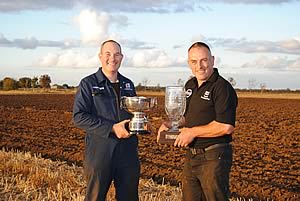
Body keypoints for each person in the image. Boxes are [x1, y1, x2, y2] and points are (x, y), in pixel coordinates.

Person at [158, 41, 238, 201]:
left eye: (204, 60)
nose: (199, 66)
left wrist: (192, 132)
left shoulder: (222, 87)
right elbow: (188, 117)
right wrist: (171, 124)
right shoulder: (190, 85)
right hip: (192, 155)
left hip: (214, 156)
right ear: (189, 63)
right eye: (194, 61)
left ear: (212, 60)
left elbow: (226, 126)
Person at [73, 40, 140, 201]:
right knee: (95, 197)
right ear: (100, 56)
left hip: (128, 152)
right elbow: (78, 116)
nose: (113, 58)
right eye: (108, 54)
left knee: (129, 197)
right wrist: (111, 128)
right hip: (100, 151)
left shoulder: (128, 84)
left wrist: (141, 123)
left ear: (122, 57)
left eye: (117, 54)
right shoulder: (88, 83)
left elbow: (135, 113)